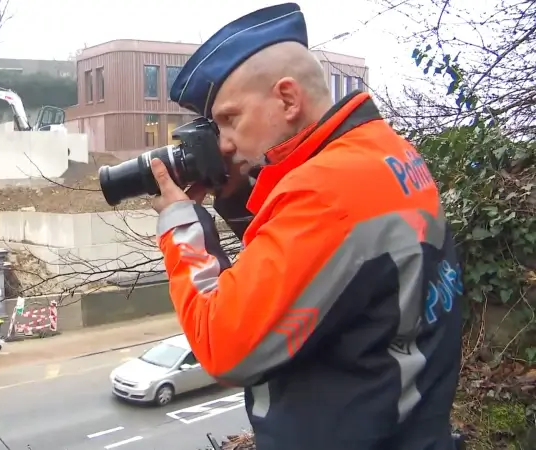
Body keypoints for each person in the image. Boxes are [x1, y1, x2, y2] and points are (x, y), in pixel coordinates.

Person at [149, 3, 464, 449]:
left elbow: (222, 345)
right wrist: (237, 196)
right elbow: (329, 277)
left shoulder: (325, 192)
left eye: (230, 119)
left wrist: (180, 222)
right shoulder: (382, 151)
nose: (224, 143)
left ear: (287, 98)